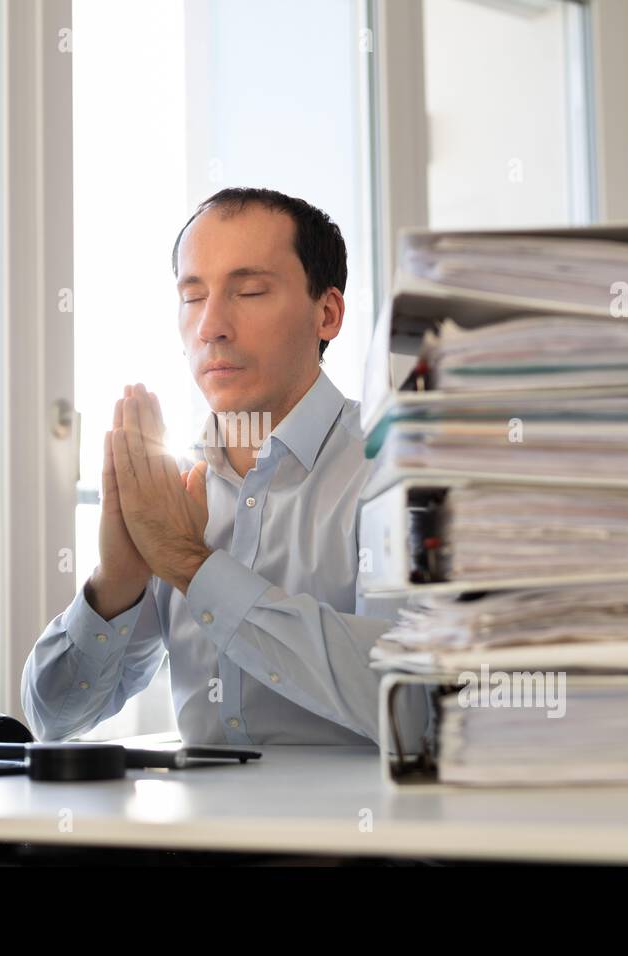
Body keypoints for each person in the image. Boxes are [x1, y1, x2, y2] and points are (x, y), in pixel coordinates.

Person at [21, 187, 425, 746]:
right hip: (192, 834)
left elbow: (410, 703)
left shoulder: (396, 470)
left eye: (251, 290)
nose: (211, 326)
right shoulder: (175, 494)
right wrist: (116, 581)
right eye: (192, 297)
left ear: (327, 314)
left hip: (351, 833)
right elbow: (54, 719)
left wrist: (192, 566)